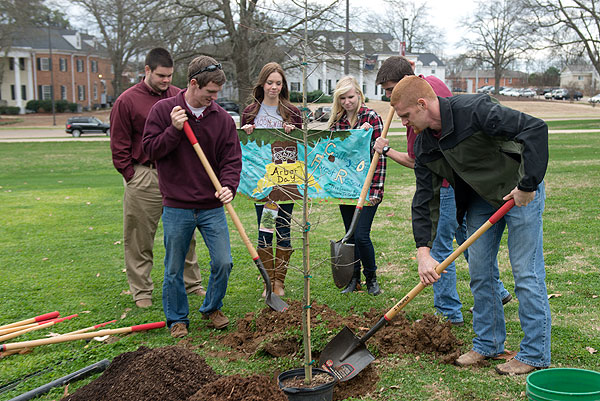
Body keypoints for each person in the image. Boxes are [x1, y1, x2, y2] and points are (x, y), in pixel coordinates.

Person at [390, 75, 551, 375]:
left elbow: (534, 128)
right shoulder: (426, 146)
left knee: (525, 270)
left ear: (422, 104)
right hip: (481, 200)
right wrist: (423, 251)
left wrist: (528, 184)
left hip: (518, 192)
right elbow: (425, 199)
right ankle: (488, 344)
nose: (403, 124)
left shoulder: (474, 109)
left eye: (406, 116)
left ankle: (534, 353)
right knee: (479, 271)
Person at [373, 56, 512, 325]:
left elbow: (418, 163)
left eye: (391, 90)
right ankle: (498, 292)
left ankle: (448, 313)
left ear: (406, 83)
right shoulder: (432, 84)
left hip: (446, 186)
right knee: (470, 242)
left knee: (438, 247)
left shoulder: (417, 113)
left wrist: (387, 151)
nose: (390, 97)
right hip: (464, 183)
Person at [142, 55, 242, 338]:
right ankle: (177, 319)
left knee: (223, 261)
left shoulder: (220, 119)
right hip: (177, 205)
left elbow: (232, 159)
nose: (214, 98)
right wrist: (173, 130)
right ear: (194, 84)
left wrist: (228, 186)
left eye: (217, 94)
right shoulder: (164, 111)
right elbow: (150, 151)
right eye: (210, 92)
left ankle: (212, 308)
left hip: (211, 206)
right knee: (174, 267)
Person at [110, 48, 205, 309]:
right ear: (147, 71)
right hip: (145, 174)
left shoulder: (178, 96)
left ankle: (192, 283)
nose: (166, 80)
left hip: (177, 174)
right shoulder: (127, 101)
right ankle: (141, 290)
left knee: (185, 232)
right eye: (161, 75)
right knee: (140, 235)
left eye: (170, 76)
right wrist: (131, 175)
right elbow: (118, 145)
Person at [241, 62, 302, 297]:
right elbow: (246, 149)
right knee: (266, 228)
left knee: (283, 228)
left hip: (285, 182)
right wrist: (248, 133)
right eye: (270, 83)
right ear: (262, 84)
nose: (274, 87)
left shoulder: (291, 112)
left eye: (278, 83)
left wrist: (292, 134)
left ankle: (279, 282)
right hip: (263, 184)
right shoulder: (251, 112)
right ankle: (268, 280)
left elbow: (301, 149)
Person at [328, 76, 385, 296]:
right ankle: (354, 279)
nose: (347, 102)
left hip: (367, 188)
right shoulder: (338, 122)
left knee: (362, 234)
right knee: (350, 235)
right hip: (346, 188)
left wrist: (376, 190)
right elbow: (332, 156)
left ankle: (372, 278)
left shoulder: (371, 118)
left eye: (350, 96)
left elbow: (379, 157)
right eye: (342, 98)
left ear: (359, 95)